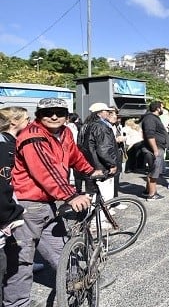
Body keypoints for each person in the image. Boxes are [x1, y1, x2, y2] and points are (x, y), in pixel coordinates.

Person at [3, 98, 102, 307]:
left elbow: (74, 156)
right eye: (48, 112)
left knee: (60, 250)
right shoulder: (33, 137)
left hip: (49, 203)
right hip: (27, 205)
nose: (54, 116)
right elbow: (46, 172)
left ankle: (75, 282)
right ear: (39, 115)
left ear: (67, 115)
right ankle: (17, 303)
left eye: (59, 112)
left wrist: (90, 170)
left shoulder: (64, 132)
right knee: (21, 261)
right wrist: (72, 195)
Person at [0, 107, 27, 302]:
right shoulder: (5, 146)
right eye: (27, 118)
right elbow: (4, 182)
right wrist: (12, 213)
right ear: (14, 122)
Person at [77, 103, 119, 202]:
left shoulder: (85, 125)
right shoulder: (100, 126)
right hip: (101, 166)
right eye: (107, 111)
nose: (109, 113)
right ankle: (101, 216)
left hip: (88, 164)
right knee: (105, 193)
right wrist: (112, 164)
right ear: (100, 113)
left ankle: (90, 214)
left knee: (91, 192)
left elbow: (80, 145)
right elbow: (104, 148)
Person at [140, 101, 169, 200]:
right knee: (154, 172)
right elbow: (149, 135)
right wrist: (155, 149)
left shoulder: (153, 118)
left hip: (157, 148)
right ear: (157, 108)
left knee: (153, 170)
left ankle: (147, 191)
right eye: (162, 107)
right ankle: (152, 194)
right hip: (154, 149)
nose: (163, 109)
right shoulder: (150, 118)